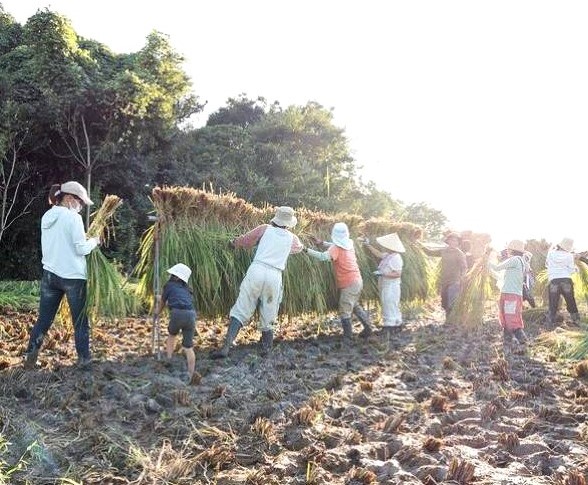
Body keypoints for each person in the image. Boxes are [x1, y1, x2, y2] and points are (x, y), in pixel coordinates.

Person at [24, 181, 100, 369]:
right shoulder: (72, 218)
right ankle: (84, 361)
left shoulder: (47, 216)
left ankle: (30, 360)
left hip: (50, 276)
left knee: (44, 319)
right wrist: (95, 241)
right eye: (80, 202)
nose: (81, 207)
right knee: (80, 321)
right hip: (73, 277)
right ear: (68, 198)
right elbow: (81, 249)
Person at [210, 206, 303, 359]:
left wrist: (233, 243)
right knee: (269, 312)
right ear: (289, 223)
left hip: (257, 270)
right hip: (275, 276)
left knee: (242, 307)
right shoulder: (292, 238)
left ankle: (226, 347)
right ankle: (266, 349)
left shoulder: (264, 229)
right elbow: (298, 249)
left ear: (276, 218)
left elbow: (246, 241)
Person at [305, 222, 373, 340]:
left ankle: (348, 338)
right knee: (354, 305)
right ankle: (368, 328)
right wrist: (321, 243)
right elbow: (335, 246)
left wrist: (305, 250)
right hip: (356, 281)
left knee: (344, 310)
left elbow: (323, 257)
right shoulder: (349, 244)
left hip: (349, 283)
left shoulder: (336, 248)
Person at [155, 263, 197, 380]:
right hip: (191, 315)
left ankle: (169, 358)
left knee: (172, 335)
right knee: (188, 347)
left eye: (173, 275)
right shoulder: (187, 290)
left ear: (177, 277)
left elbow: (163, 303)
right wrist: (162, 298)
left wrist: (156, 313)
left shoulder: (169, 286)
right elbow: (179, 301)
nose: (171, 276)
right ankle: (191, 373)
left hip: (177, 313)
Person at [488, 240, 529, 350]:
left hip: (512, 294)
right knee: (505, 317)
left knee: (511, 318)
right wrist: (488, 268)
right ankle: (507, 341)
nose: (506, 251)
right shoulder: (519, 261)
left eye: (508, 249)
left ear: (511, 250)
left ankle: (522, 339)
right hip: (508, 293)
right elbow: (500, 276)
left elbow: (497, 267)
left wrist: (486, 261)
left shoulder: (515, 260)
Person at [363, 233, 405, 339]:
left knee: (389, 304)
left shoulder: (396, 258)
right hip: (386, 285)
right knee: (391, 304)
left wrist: (383, 274)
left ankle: (389, 327)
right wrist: (368, 245)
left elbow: (398, 274)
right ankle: (397, 324)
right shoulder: (388, 255)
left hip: (391, 286)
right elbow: (378, 254)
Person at [419, 232, 467, 323]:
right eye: (451, 240)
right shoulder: (443, 251)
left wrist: (462, 278)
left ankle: (452, 321)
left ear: (458, 242)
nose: (453, 242)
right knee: (444, 302)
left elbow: (464, 267)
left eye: (455, 240)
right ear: (448, 241)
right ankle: (448, 319)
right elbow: (429, 252)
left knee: (451, 302)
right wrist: (419, 245)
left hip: (455, 280)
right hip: (444, 280)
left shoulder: (459, 254)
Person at [546, 237, 581, 326]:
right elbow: (572, 270)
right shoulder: (569, 256)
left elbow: (547, 264)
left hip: (554, 281)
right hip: (566, 280)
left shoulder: (550, 254)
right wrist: (577, 269)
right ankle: (576, 321)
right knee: (570, 301)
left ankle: (550, 322)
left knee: (553, 303)